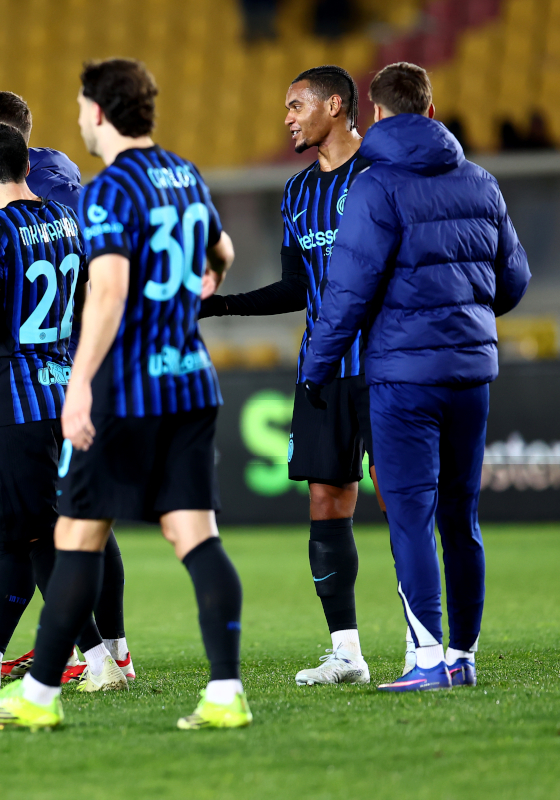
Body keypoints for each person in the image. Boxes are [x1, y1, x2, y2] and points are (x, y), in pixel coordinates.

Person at [0, 58, 247, 731]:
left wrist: (83, 383)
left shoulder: (110, 191)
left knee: (73, 536)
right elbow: (222, 253)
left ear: (97, 112)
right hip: (192, 381)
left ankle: (37, 699)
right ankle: (225, 693)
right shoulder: (184, 173)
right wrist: (195, 287)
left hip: (133, 388)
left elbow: (110, 290)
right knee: (196, 537)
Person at [302, 62, 530, 692]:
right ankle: (462, 658)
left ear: (376, 115)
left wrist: (317, 369)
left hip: (402, 379)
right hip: (470, 376)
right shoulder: (481, 182)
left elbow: (347, 295)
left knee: (410, 518)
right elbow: (514, 282)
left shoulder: (376, 187)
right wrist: (465, 315)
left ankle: (426, 659)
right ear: (431, 112)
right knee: (463, 518)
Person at [199, 65, 383, 684]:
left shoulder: (384, 174)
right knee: (326, 500)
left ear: (335, 105)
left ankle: (431, 644)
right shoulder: (298, 192)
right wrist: (218, 305)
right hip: (324, 369)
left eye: (296, 104)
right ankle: (347, 653)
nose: (287, 117)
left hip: (388, 363)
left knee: (407, 498)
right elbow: (294, 287)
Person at [0, 124, 123, 696]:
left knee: (31, 536)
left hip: (17, 401)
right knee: (24, 537)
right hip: (63, 393)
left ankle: (95, 658)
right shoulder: (65, 221)